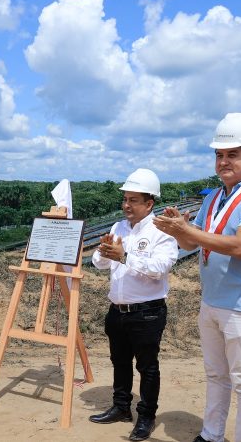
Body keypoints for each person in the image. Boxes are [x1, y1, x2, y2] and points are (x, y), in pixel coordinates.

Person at [154, 113, 241, 442]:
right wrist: (178, 231)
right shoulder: (213, 197)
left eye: (232, 155)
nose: (224, 161)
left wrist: (189, 232)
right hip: (211, 301)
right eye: (219, 155)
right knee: (215, 374)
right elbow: (190, 242)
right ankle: (211, 434)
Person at [90, 168, 178, 442]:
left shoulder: (162, 230)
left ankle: (147, 416)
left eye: (133, 200)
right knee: (119, 361)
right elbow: (98, 262)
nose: (126, 205)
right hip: (117, 309)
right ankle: (120, 406)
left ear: (149, 203)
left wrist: (124, 255)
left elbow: (160, 267)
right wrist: (105, 252)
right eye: (125, 199)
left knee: (147, 367)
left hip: (147, 312)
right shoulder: (119, 227)